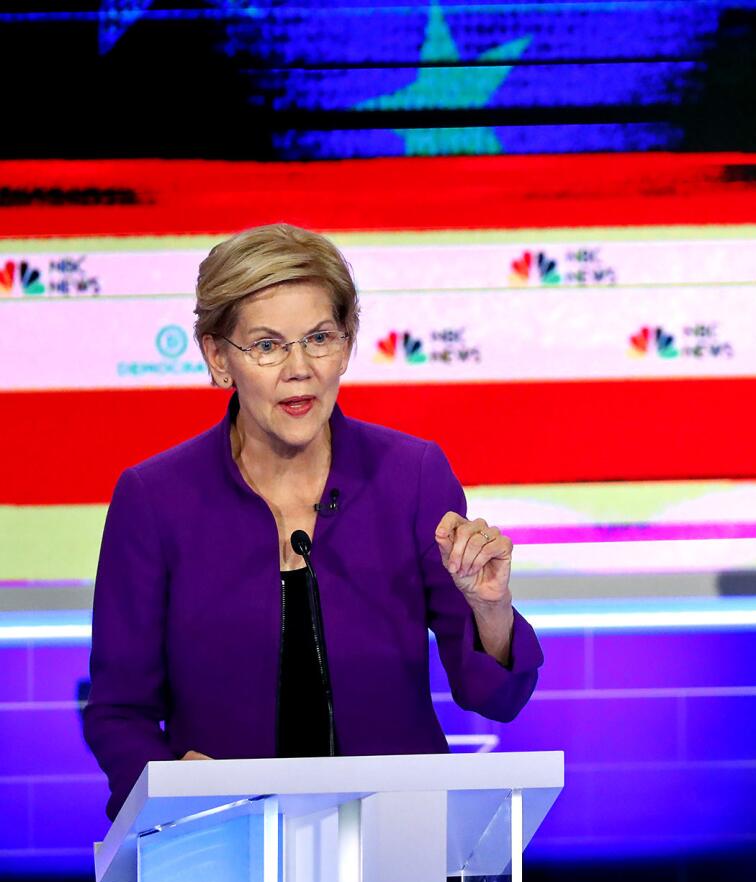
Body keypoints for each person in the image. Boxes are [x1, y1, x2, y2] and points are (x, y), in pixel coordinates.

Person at [83, 223, 542, 820]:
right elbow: (119, 711)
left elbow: (496, 698)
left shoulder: (412, 477)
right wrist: (170, 786)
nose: (299, 368)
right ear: (218, 358)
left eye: (319, 337)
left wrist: (490, 609)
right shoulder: (155, 499)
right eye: (268, 345)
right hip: (217, 844)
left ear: (347, 346)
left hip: (394, 839)